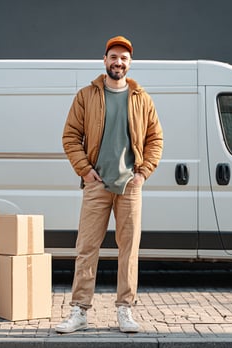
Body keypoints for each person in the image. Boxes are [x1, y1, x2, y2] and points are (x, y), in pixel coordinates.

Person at [56, 35, 163, 334]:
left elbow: (156, 139)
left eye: (124, 58)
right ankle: (79, 311)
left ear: (130, 63)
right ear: (104, 60)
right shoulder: (86, 95)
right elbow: (70, 136)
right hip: (96, 185)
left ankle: (125, 311)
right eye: (113, 56)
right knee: (86, 248)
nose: (118, 62)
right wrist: (86, 171)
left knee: (129, 250)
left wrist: (143, 173)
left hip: (130, 185)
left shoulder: (141, 98)